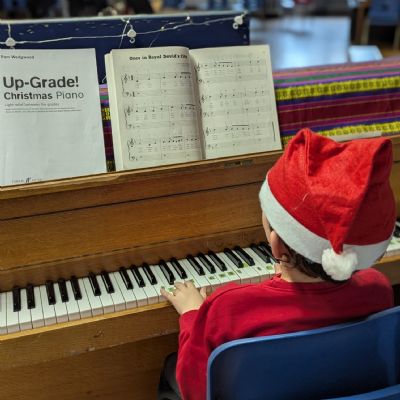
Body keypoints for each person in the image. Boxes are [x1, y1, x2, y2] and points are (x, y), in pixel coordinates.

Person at [158, 128, 396, 400]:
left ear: (278, 246)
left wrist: (192, 313)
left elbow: (196, 391)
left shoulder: (227, 307)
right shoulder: (377, 289)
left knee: (169, 366)